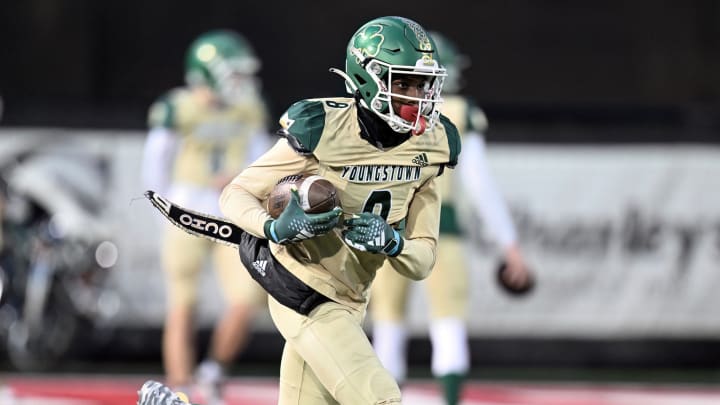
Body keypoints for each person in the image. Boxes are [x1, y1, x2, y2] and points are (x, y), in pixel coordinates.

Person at [136, 15, 458, 405]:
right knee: (381, 399)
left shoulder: (436, 143)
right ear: (367, 77)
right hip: (302, 286)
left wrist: (393, 243)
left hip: (353, 296)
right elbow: (237, 194)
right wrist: (272, 228)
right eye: (403, 83)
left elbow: (423, 260)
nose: (416, 97)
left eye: (423, 84)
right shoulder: (324, 127)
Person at [368, 31, 533, 405]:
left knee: (388, 328)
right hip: (441, 233)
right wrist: (509, 245)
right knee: (447, 325)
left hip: (386, 229)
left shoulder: (379, 109)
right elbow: (480, 186)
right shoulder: (457, 112)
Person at [140, 29, 272, 405]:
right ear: (209, 72)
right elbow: (155, 166)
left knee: (249, 295)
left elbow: (262, 159)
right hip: (186, 210)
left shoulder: (248, 108)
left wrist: (243, 178)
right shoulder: (177, 107)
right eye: (234, 73)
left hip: (230, 214)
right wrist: (164, 209)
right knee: (182, 305)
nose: (242, 82)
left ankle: (212, 371)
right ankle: (177, 392)